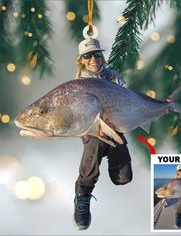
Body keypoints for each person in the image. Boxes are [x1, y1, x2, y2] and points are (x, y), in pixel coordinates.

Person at [73, 37, 133, 230]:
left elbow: (128, 102)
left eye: (97, 54)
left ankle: (114, 159)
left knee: (123, 178)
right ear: (82, 59)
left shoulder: (115, 78)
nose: (94, 59)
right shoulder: (78, 84)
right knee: (93, 152)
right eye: (88, 55)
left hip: (115, 129)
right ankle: (82, 196)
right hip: (93, 133)